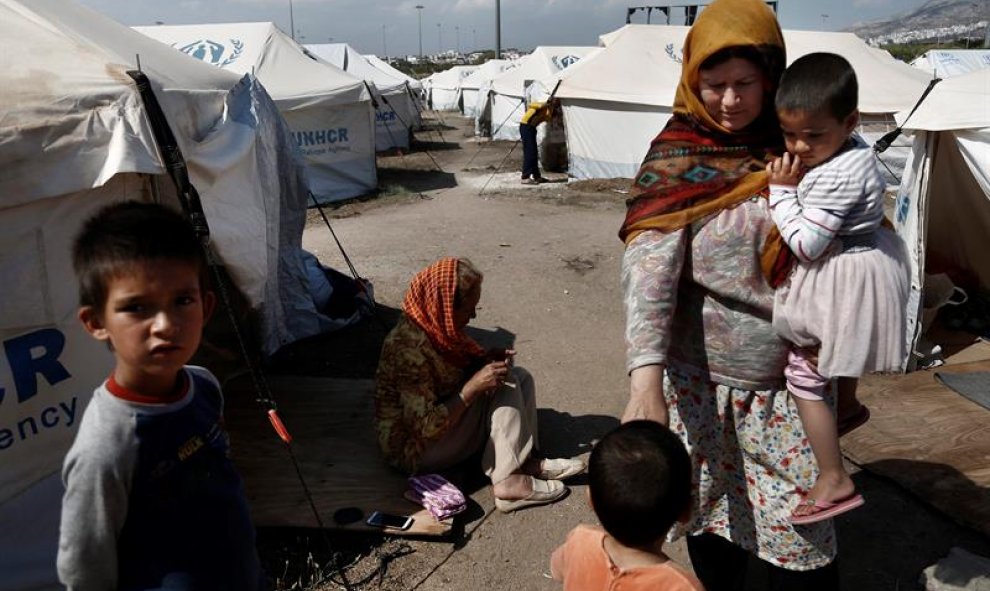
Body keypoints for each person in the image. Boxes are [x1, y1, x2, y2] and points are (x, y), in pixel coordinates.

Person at [619, 0, 840, 588]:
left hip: (788, 389)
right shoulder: (675, 157)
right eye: (714, 85)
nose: (730, 101)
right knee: (712, 517)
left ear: (772, 75)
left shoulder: (808, 144)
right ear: (693, 82)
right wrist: (645, 381)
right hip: (700, 387)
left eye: (745, 83)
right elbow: (649, 273)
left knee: (803, 536)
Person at [58, 201, 264, 590]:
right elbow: (84, 568)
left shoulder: (204, 387)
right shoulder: (107, 448)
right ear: (96, 322)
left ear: (207, 307)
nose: (166, 325)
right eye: (137, 308)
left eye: (182, 301)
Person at [766, 52, 909, 524]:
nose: (800, 148)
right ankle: (846, 406)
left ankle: (834, 476)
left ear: (848, 122)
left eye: (813, 136)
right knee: (840, 352)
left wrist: (782, 193)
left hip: (837, 274)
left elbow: (807, 244)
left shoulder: (836, 176)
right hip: (863, 262)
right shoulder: (852, 148)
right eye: (789, 134)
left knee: (803, 373)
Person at [374, 257, 584, 512]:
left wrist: (482, 362)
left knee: (520, 376)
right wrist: (472, 387)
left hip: (439, 431)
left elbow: (449, 374)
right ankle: (509, 483)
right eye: (468, 309)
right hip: (415, 450)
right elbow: (424, 428)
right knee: (506, 382)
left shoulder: (435, 326)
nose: (473, 315)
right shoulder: (408, 350)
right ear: (447, 307)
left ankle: (521, 460)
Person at [550, 421, 704, 591]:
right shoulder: (681, 587)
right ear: (687, 511)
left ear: (590, 499)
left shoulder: (580, 541)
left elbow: (557, 570)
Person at [519, 100, 554, 184]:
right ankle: (525, 176)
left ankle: (536, 176)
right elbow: (533, 105)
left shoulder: (548, 110)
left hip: (532, 128)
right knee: (530, 152)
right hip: (526, 126)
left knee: (534, 152)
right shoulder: (537, 105)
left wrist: (550, 108)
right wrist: (546, 104)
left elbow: (548, 118)